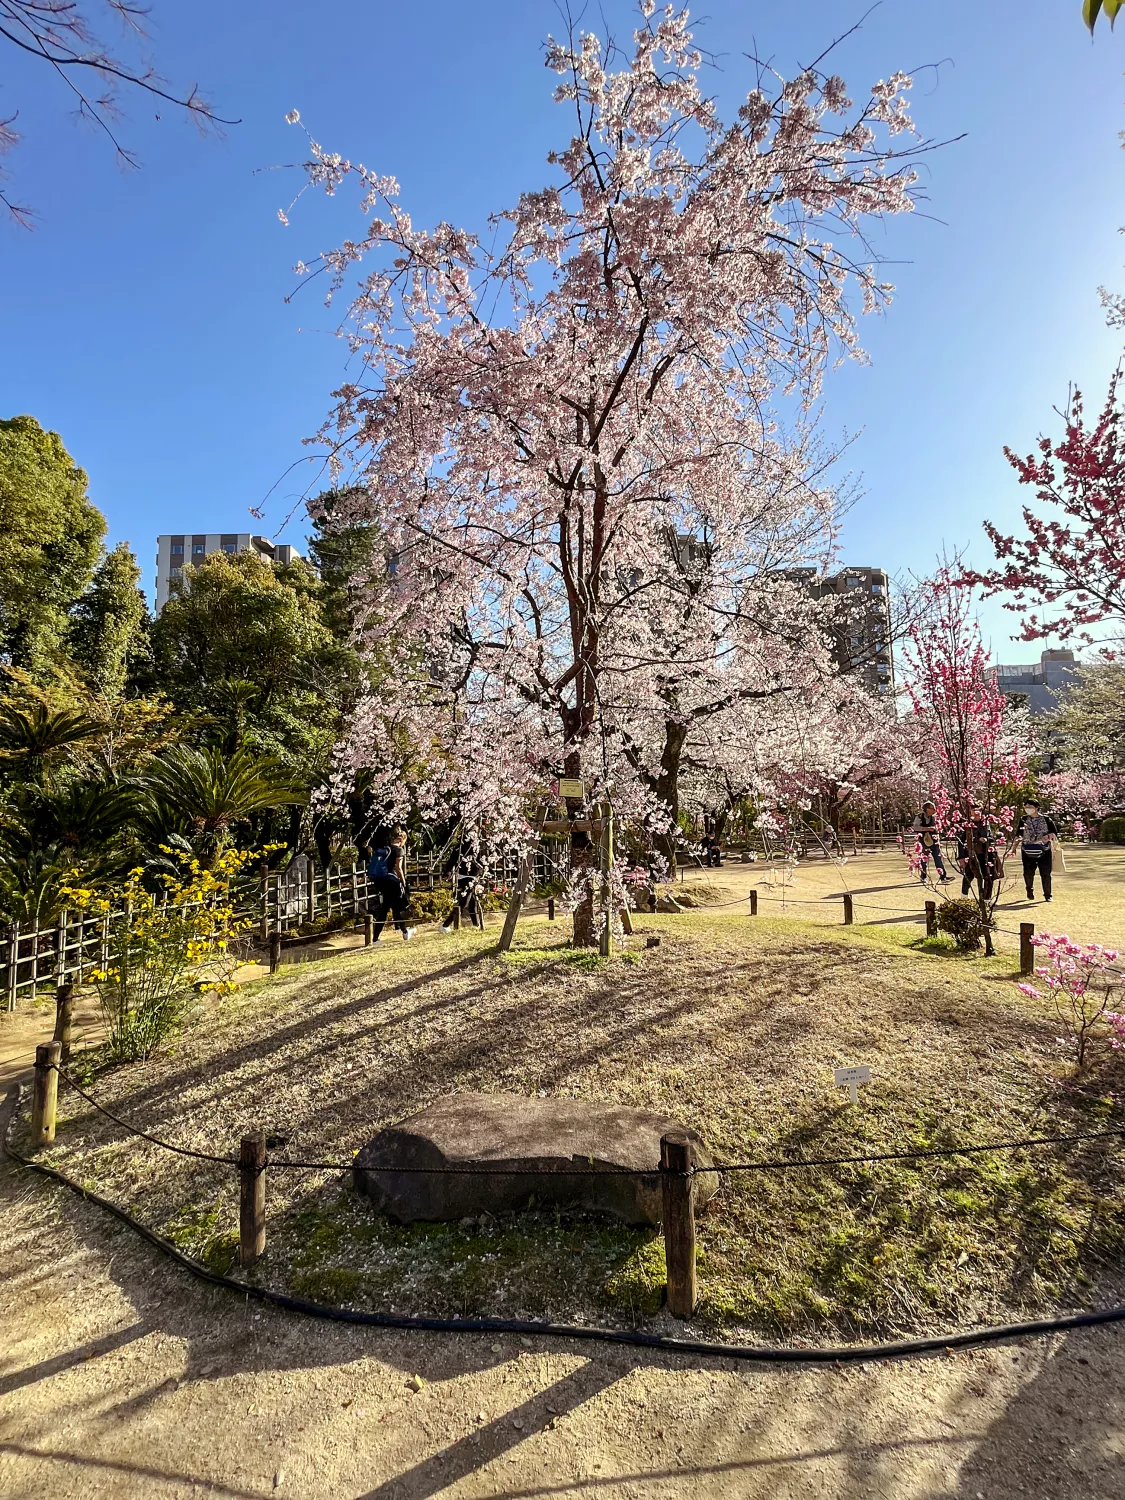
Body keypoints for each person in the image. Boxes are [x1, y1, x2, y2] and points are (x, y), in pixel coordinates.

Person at [367, 826, 415, 941]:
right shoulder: (399, 850)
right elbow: (399, 868)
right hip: (393, 882)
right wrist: (403, 882)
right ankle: (402, 932)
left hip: (382, 881)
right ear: (401, 840)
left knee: (388, 907)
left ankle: (402, 932)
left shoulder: (386, 848)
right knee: (395, 907)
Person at [1008, 798, 1059, 902]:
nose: (1028, 809)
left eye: (1030, 807)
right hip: (1027, 850)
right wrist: (1013, 848)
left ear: (1037, 808)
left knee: (1045, 873)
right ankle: (1029, 889)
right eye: (1026, 807)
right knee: (1028, 873)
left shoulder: (1046, 819)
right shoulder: (1023, 819)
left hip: (1044, 850)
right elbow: (1018, 834)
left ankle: (1048, 895)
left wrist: (1048, 837)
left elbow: (1054, 833)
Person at [956, 806, 1001, 901]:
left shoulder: (986, 823)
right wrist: (961, 857)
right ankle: (964, 897)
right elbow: (960, 841)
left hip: (987, 855)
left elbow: (992, 838)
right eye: (974, 810)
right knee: (968, 875)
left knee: (988, 877)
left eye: (978, 810)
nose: (976, 812)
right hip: (972, 855)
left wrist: (986, 839)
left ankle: (987, 899)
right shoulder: (967, 825)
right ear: (970, 812)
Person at [911, 802, 952, 884]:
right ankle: (923, 877)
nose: (934, 810)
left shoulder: (934, 817)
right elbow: (915, 827)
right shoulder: (919, 817)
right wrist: (928, 829)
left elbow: (938, 827)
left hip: (934, 840)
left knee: (938, 858)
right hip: (923, 840)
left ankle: (943, 877)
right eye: (932, 808)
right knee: (923, 859)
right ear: (927, 809)